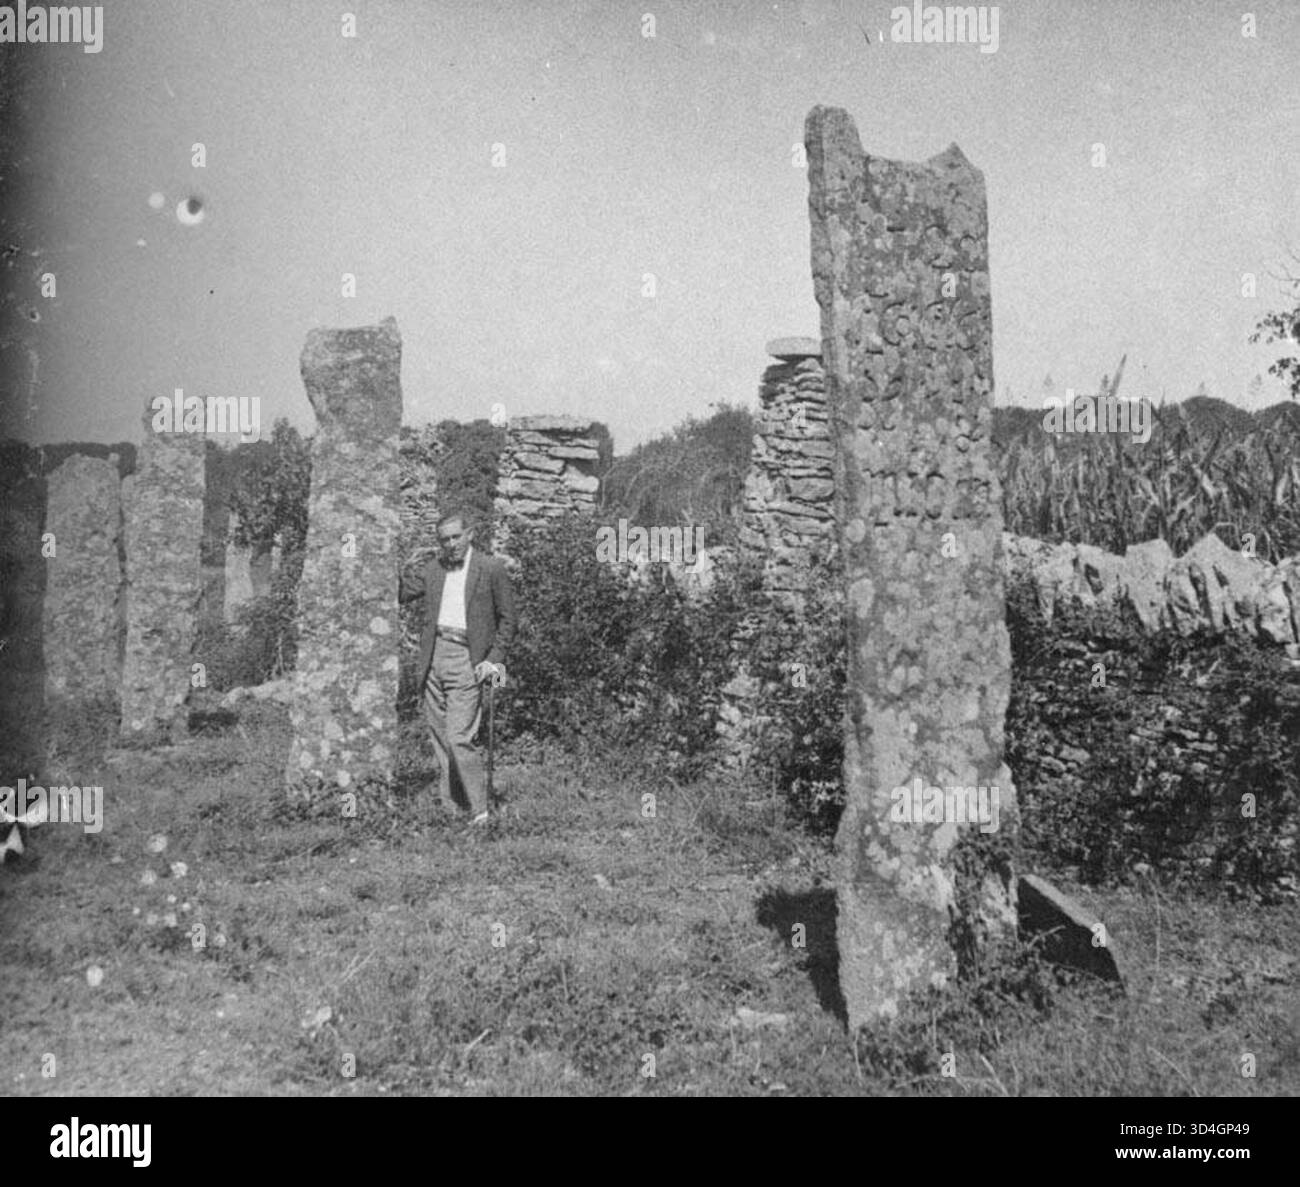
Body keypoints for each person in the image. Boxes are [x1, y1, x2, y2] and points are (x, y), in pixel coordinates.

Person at [399, 509, 517, 826]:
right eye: (444, 539)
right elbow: (398, 592)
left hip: (469, 658)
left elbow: (508, 620)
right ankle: (452, 809)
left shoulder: (491, 569)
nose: (451, 544)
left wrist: (493, 661)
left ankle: (481, 811)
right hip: (434, 656)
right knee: (439, 738)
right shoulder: (433, 570)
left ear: (470, 535)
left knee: (458, 737)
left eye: (455, 537)